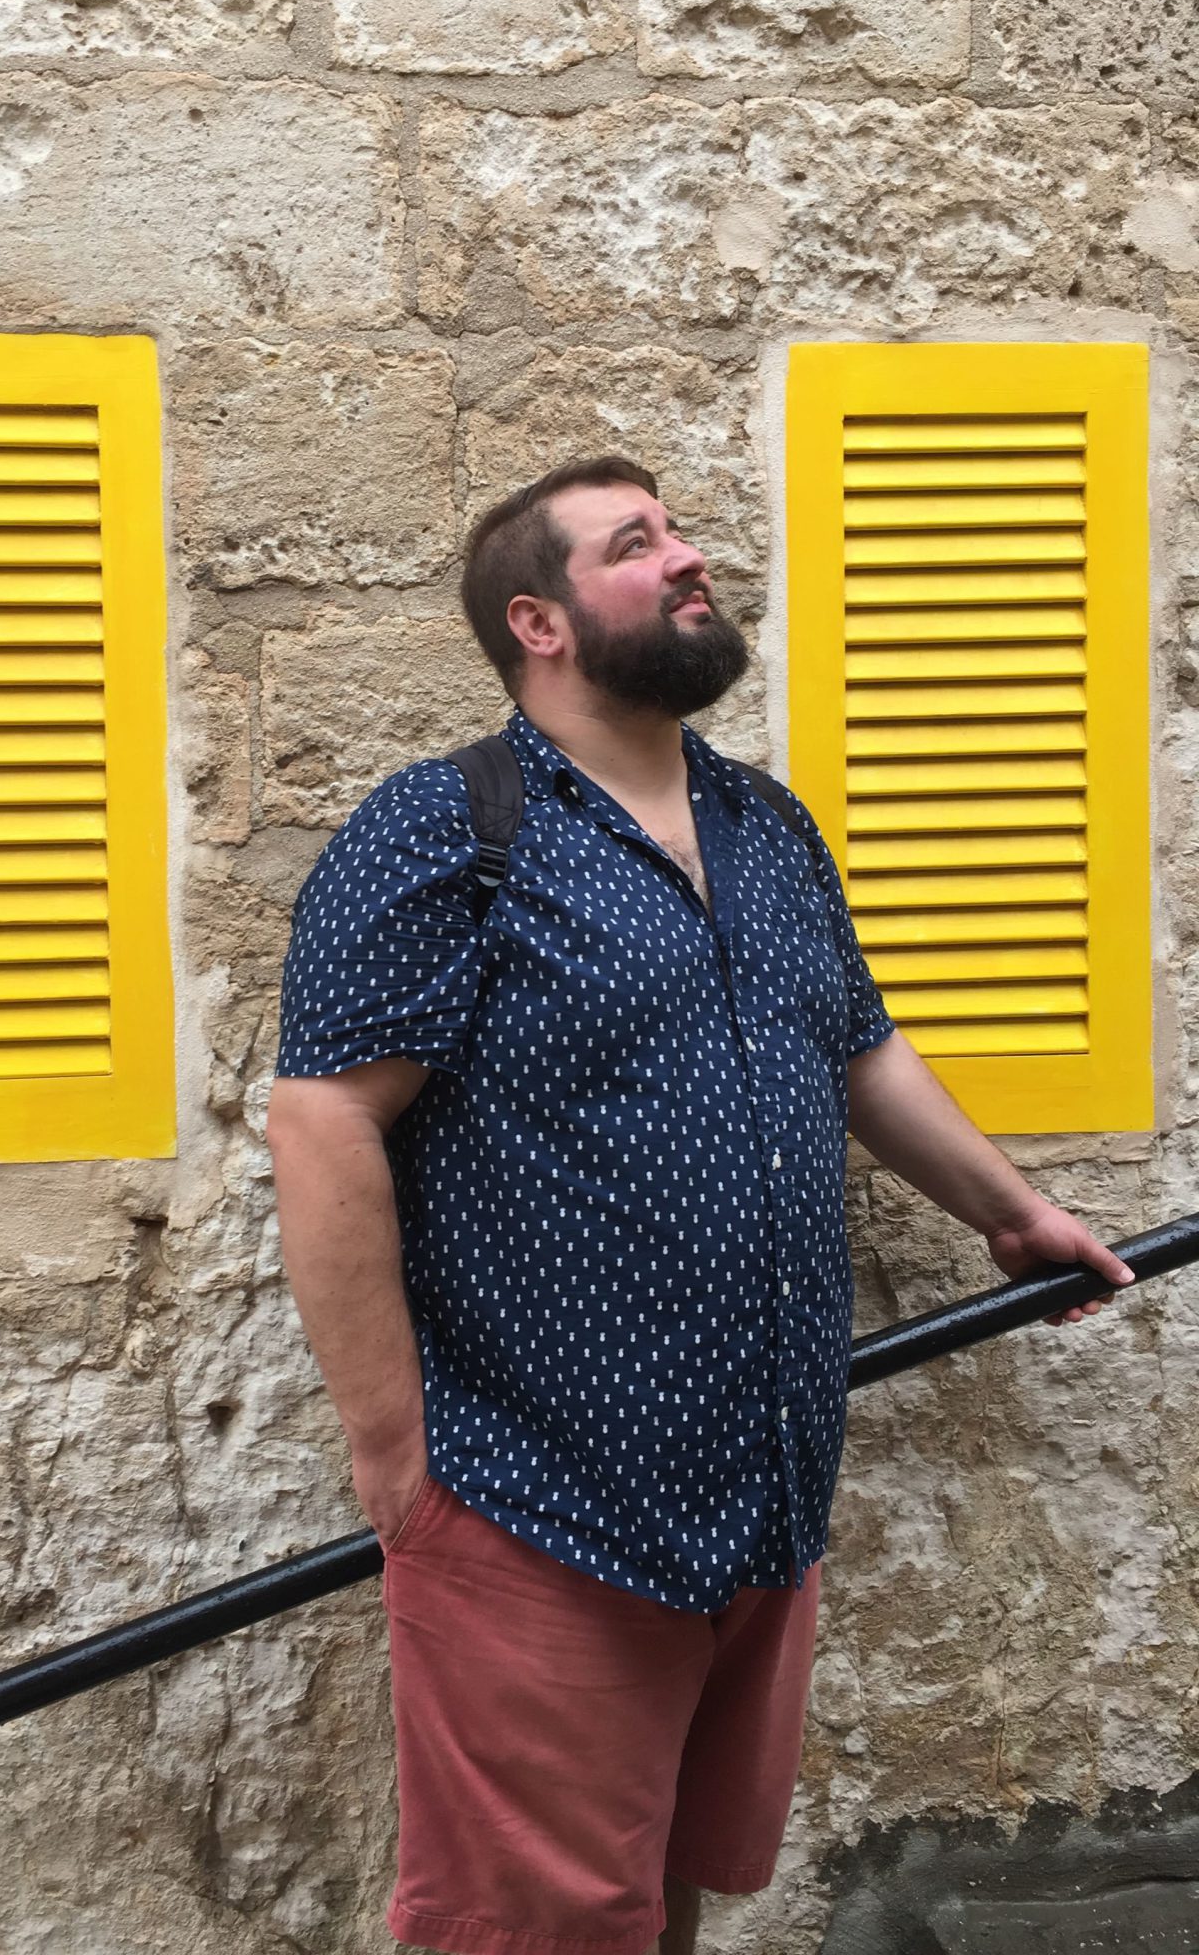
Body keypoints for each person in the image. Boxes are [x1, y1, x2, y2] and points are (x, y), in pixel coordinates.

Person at [264, 455, 1132, 1955]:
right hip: (542, 1502)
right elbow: (323, 1113)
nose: (689, 556)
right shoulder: (446, 831)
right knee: (530, 1926)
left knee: (667, 1895)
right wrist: (396, 1457)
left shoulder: (766, 827)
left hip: (760, 1488)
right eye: (637, 543)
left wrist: (1011, 1211)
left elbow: (857, 1045)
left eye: (677, 531)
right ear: (539, 622)